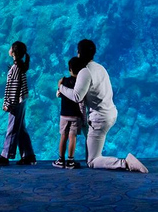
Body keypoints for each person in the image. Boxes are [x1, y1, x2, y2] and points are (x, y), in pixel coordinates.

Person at [57, 39, 148, 173]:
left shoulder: (84, 71)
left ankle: (126, 163)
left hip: (100, 119)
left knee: (92, 161)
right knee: (87, 137)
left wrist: (61, 87)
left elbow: (77, 96)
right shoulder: (100, 67)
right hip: (110, 113)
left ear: (79, 53)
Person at [0, 41, 37, 166]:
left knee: (12, 129)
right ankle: (28, 155)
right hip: (21, 102)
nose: (9, 49)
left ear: (13, 52)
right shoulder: (19, 67)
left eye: (10, 48)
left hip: (16, 103)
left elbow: (13, 89)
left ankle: (5, 157)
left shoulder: (15, 69)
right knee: (20, 129)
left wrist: (8, 104)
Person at [52, 57, 85, 169]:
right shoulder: (81, 84)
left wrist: (59, 87)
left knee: (63, 136)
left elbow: (58, 94)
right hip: (76, 115)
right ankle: (70, 161)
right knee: (72, 137)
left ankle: (61, 160)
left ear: (70, 69)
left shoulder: (64, 81)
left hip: (64, 115)